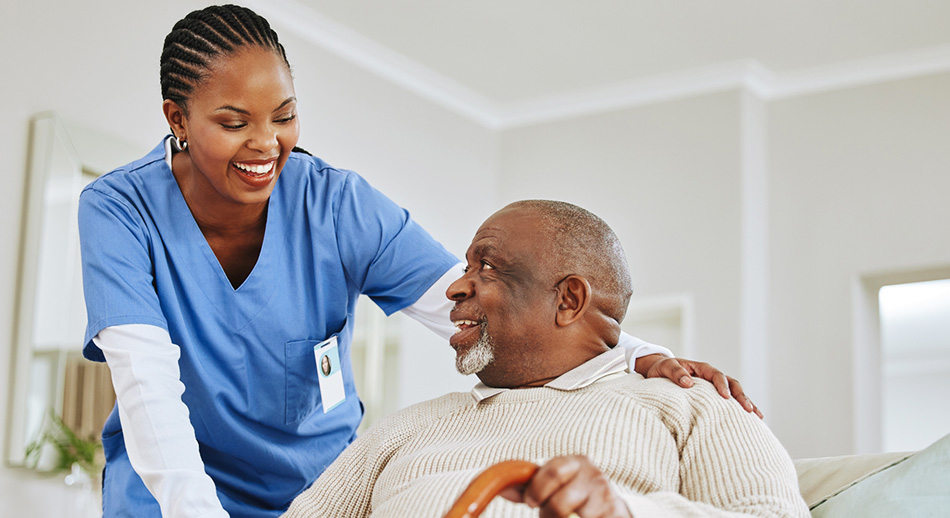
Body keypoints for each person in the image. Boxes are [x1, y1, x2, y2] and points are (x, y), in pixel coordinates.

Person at [78, 5, 758, 518]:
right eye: (234, 122)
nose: (267, 144)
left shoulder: (335, 205)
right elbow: (148, 390)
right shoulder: (119, 211)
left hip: (315, 487)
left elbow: (479, 307)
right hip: (170, 489)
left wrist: (637, 351)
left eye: (284, 116)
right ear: (177, 117)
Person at [282, 200, 809, 518]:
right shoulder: (403, 430)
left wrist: (623, 510)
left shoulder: (691, 407)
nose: (454, 288)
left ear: (569, 301)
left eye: (486, 267)